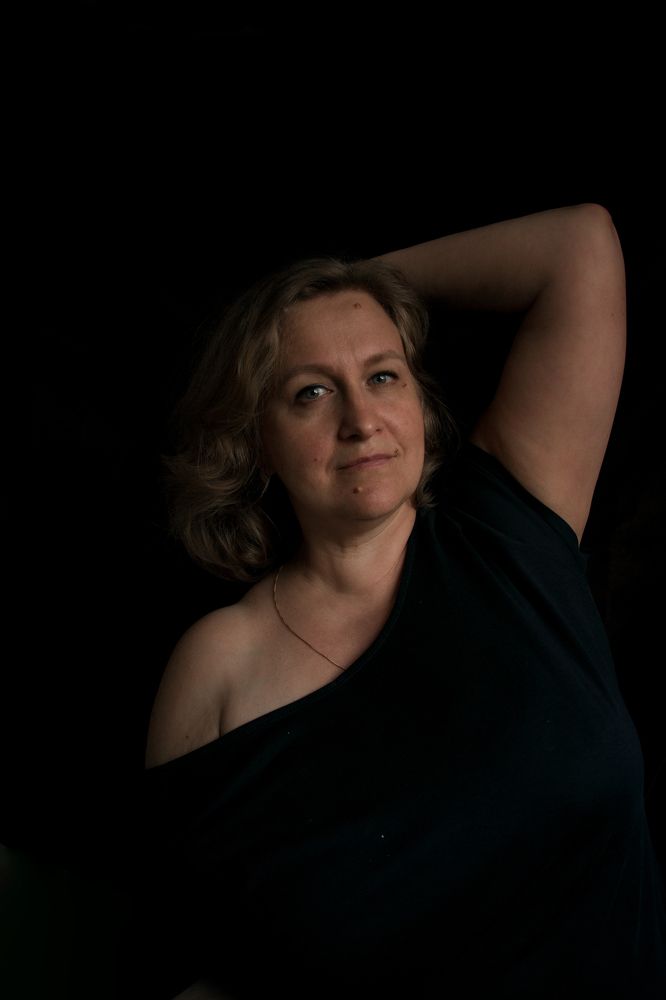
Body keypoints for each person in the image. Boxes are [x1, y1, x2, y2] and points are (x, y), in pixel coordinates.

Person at [140, 204, 666, 999]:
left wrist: (353, 286)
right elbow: (198, 967)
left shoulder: (510, 525)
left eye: (383, 376)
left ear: (420, 401)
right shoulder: (219, 666)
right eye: (312, 392)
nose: (361, 420)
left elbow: (580, 245)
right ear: (257, 442)